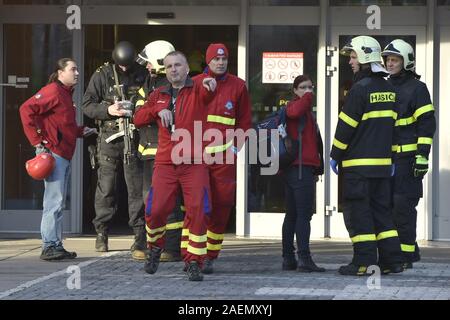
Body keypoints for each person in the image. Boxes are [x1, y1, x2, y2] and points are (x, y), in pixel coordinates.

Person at [133, 51, 217, 281]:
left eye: (178, 65)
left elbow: (209, 88)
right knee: (155, 210)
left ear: (187, 68)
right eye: (169, 66)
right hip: (166, 162)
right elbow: (138, 118)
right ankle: (155, 247)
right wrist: (156, 110)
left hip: (194, 162)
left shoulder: (198, 88)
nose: (173, 69)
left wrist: (209, 82)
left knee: (198, 211)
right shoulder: (158, 94)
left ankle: (194, 262)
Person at [330, 36, 404, 276]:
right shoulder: (390, 89)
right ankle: (392, 261)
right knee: (382, 212)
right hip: (382, 167)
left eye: (353, 57)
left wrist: (335, 154)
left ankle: (363, 263)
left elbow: (346, 127)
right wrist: (391, 158)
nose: (350, 61)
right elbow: (394, 129)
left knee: (358, 213)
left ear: (363, 58)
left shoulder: (359, 90)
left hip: (358, 168)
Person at [20, 58, 96, 261]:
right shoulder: (53, 91)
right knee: (53, 202)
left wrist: (81, 131)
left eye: (78, 69)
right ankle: (49, 246)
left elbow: (63, 125)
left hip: (63, 153)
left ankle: (56, 244)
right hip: (54, 154)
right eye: (73, 69)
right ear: (60, 72)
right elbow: (25, 109)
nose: (77, 73)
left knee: (58, 202)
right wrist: (38, 142)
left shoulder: (65, 94)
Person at [83, 41, 148, 260]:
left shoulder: (142, 73)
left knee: (136, 189)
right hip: (109, 138)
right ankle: (101, 232)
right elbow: (87, 105)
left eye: (127, 66)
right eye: (121, 66)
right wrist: (108, 109)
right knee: (106, 188)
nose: (124, 70)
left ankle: (140, 236)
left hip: (134, 137)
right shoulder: (101, 74)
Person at [193, 43, 252, 274]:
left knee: (221, 204)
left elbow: (244, 122)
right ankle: (193, 255)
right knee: (198, 205)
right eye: (216, 59)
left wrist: (236, 149)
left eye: (224, 59)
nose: (220, 62)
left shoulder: (238, 86)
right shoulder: (194, 83)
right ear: (208, 61)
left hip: (225, 157)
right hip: (198, 156)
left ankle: (210, 255)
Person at [382, 39, 436, 269]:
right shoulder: (384, 86)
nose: (390, 64)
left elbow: (426, 123)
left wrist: (422, 155)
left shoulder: (417, 88)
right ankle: (405, 252)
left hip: (408, 161)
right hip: (387, 160)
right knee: (388, 207)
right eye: (388, 60)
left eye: (395, 60)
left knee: (402, 207)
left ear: (406, 62)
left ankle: (404, 256)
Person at [135, 40, 184, 262]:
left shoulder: (173, 88)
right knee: (152, 203)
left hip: (167, 153)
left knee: (171, 204)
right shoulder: (150, 84)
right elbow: (138, 114)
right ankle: (154, 245)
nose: (145, 66)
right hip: (148, 152)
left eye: (148, 62)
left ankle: (172, 248)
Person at [281, 75, 325, 273]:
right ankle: (303, 259)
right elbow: (294, 112)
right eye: (303, 87)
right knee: (301, 216)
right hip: (299, 170)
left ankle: (289, 259)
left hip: (301, 169)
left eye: (310, 87)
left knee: (293, 215)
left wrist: (317, 167)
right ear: (295, 90)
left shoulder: (305, 110)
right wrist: (307, 98)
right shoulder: (295, 106)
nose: (308, 91)